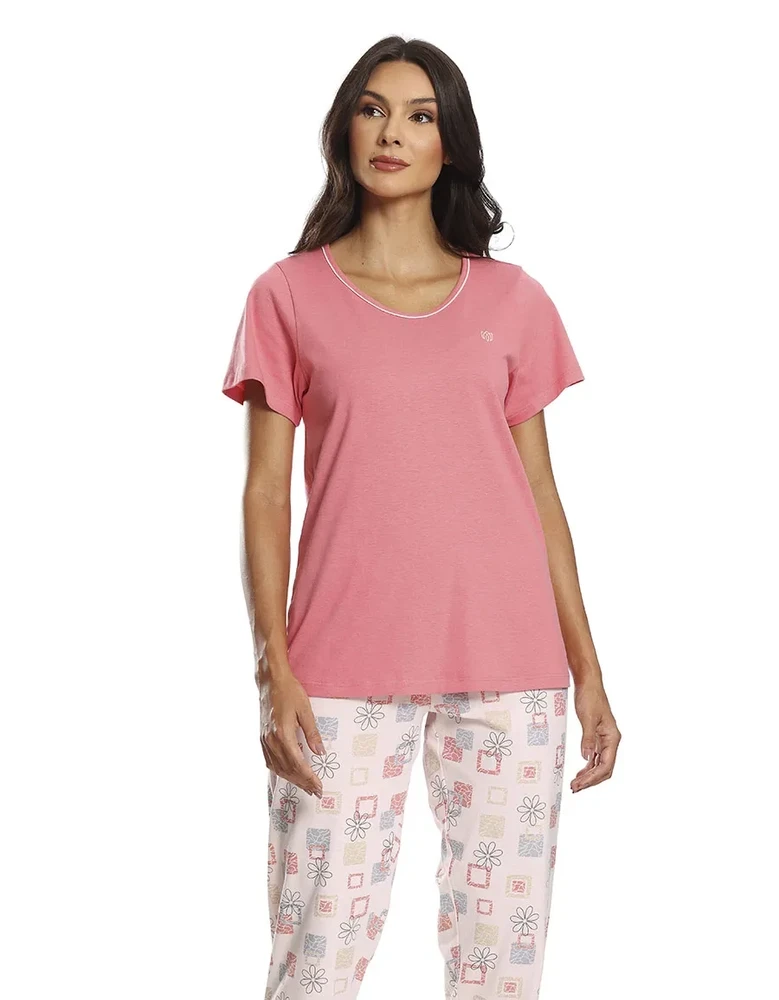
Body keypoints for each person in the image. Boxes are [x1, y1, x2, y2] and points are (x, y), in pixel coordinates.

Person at [221, 35, 621, 1000]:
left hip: (510, 667)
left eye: (418, 114)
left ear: (451, 143)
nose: (390, 132)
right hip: (337, 669)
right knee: (315, 961)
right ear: (342, 130)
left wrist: (588, 670)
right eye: (371, 109)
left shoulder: (513, 301)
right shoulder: (287, 295)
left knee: (498, 972)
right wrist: (272, 667)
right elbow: (265, 492)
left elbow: (540, 494)